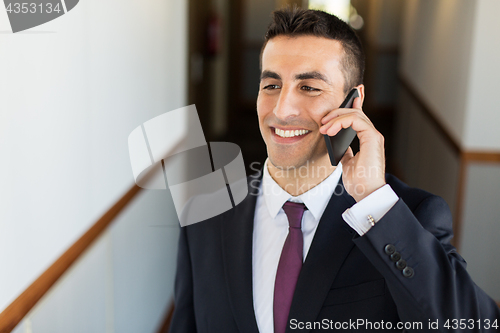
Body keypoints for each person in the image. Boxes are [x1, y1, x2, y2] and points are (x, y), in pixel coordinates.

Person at [169, 7, 500, 333]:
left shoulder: (410, 216)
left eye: (309, 87)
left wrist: (372, 200)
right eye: (271, 86)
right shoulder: (203, 215)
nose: (282, 110)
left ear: (353, 102)